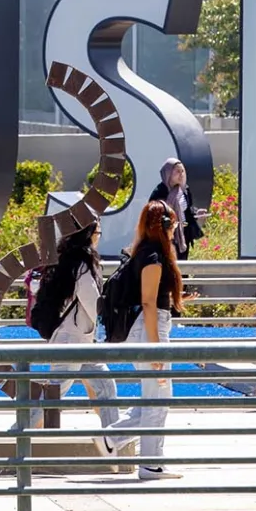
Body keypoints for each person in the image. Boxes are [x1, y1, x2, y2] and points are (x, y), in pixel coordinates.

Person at [101, 201, 184, 480]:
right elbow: (148, 303)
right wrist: (156, 346)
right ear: (163, 226)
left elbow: (153, 299)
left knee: (155, 397)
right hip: (149, 330)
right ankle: (150, 464)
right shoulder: (152, 257)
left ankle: (114, 437)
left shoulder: (147, 252)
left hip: (149, 328)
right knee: (158, 398)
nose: (175, 231)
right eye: (173, 225)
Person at [27, 223, 119, 430]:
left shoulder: (69, 260)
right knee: (53, 395)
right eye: (98, 232)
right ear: (88, 235)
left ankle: (114, 442)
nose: (99, 237)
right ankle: (17, 436)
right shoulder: (82, 265)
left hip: (79, 340)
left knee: (105, 386)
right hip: (73, 342)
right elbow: (93, 304)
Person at [147, 158, 206, 259]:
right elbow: (153, 214)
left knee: (182, 265)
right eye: (177, 171)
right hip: (167, 236)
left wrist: (196, 212)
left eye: (182, 171)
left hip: (183, 233)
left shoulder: (184, 190)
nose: (181, 174)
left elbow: (187, 209)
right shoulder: (160, 192)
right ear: (168, 173)